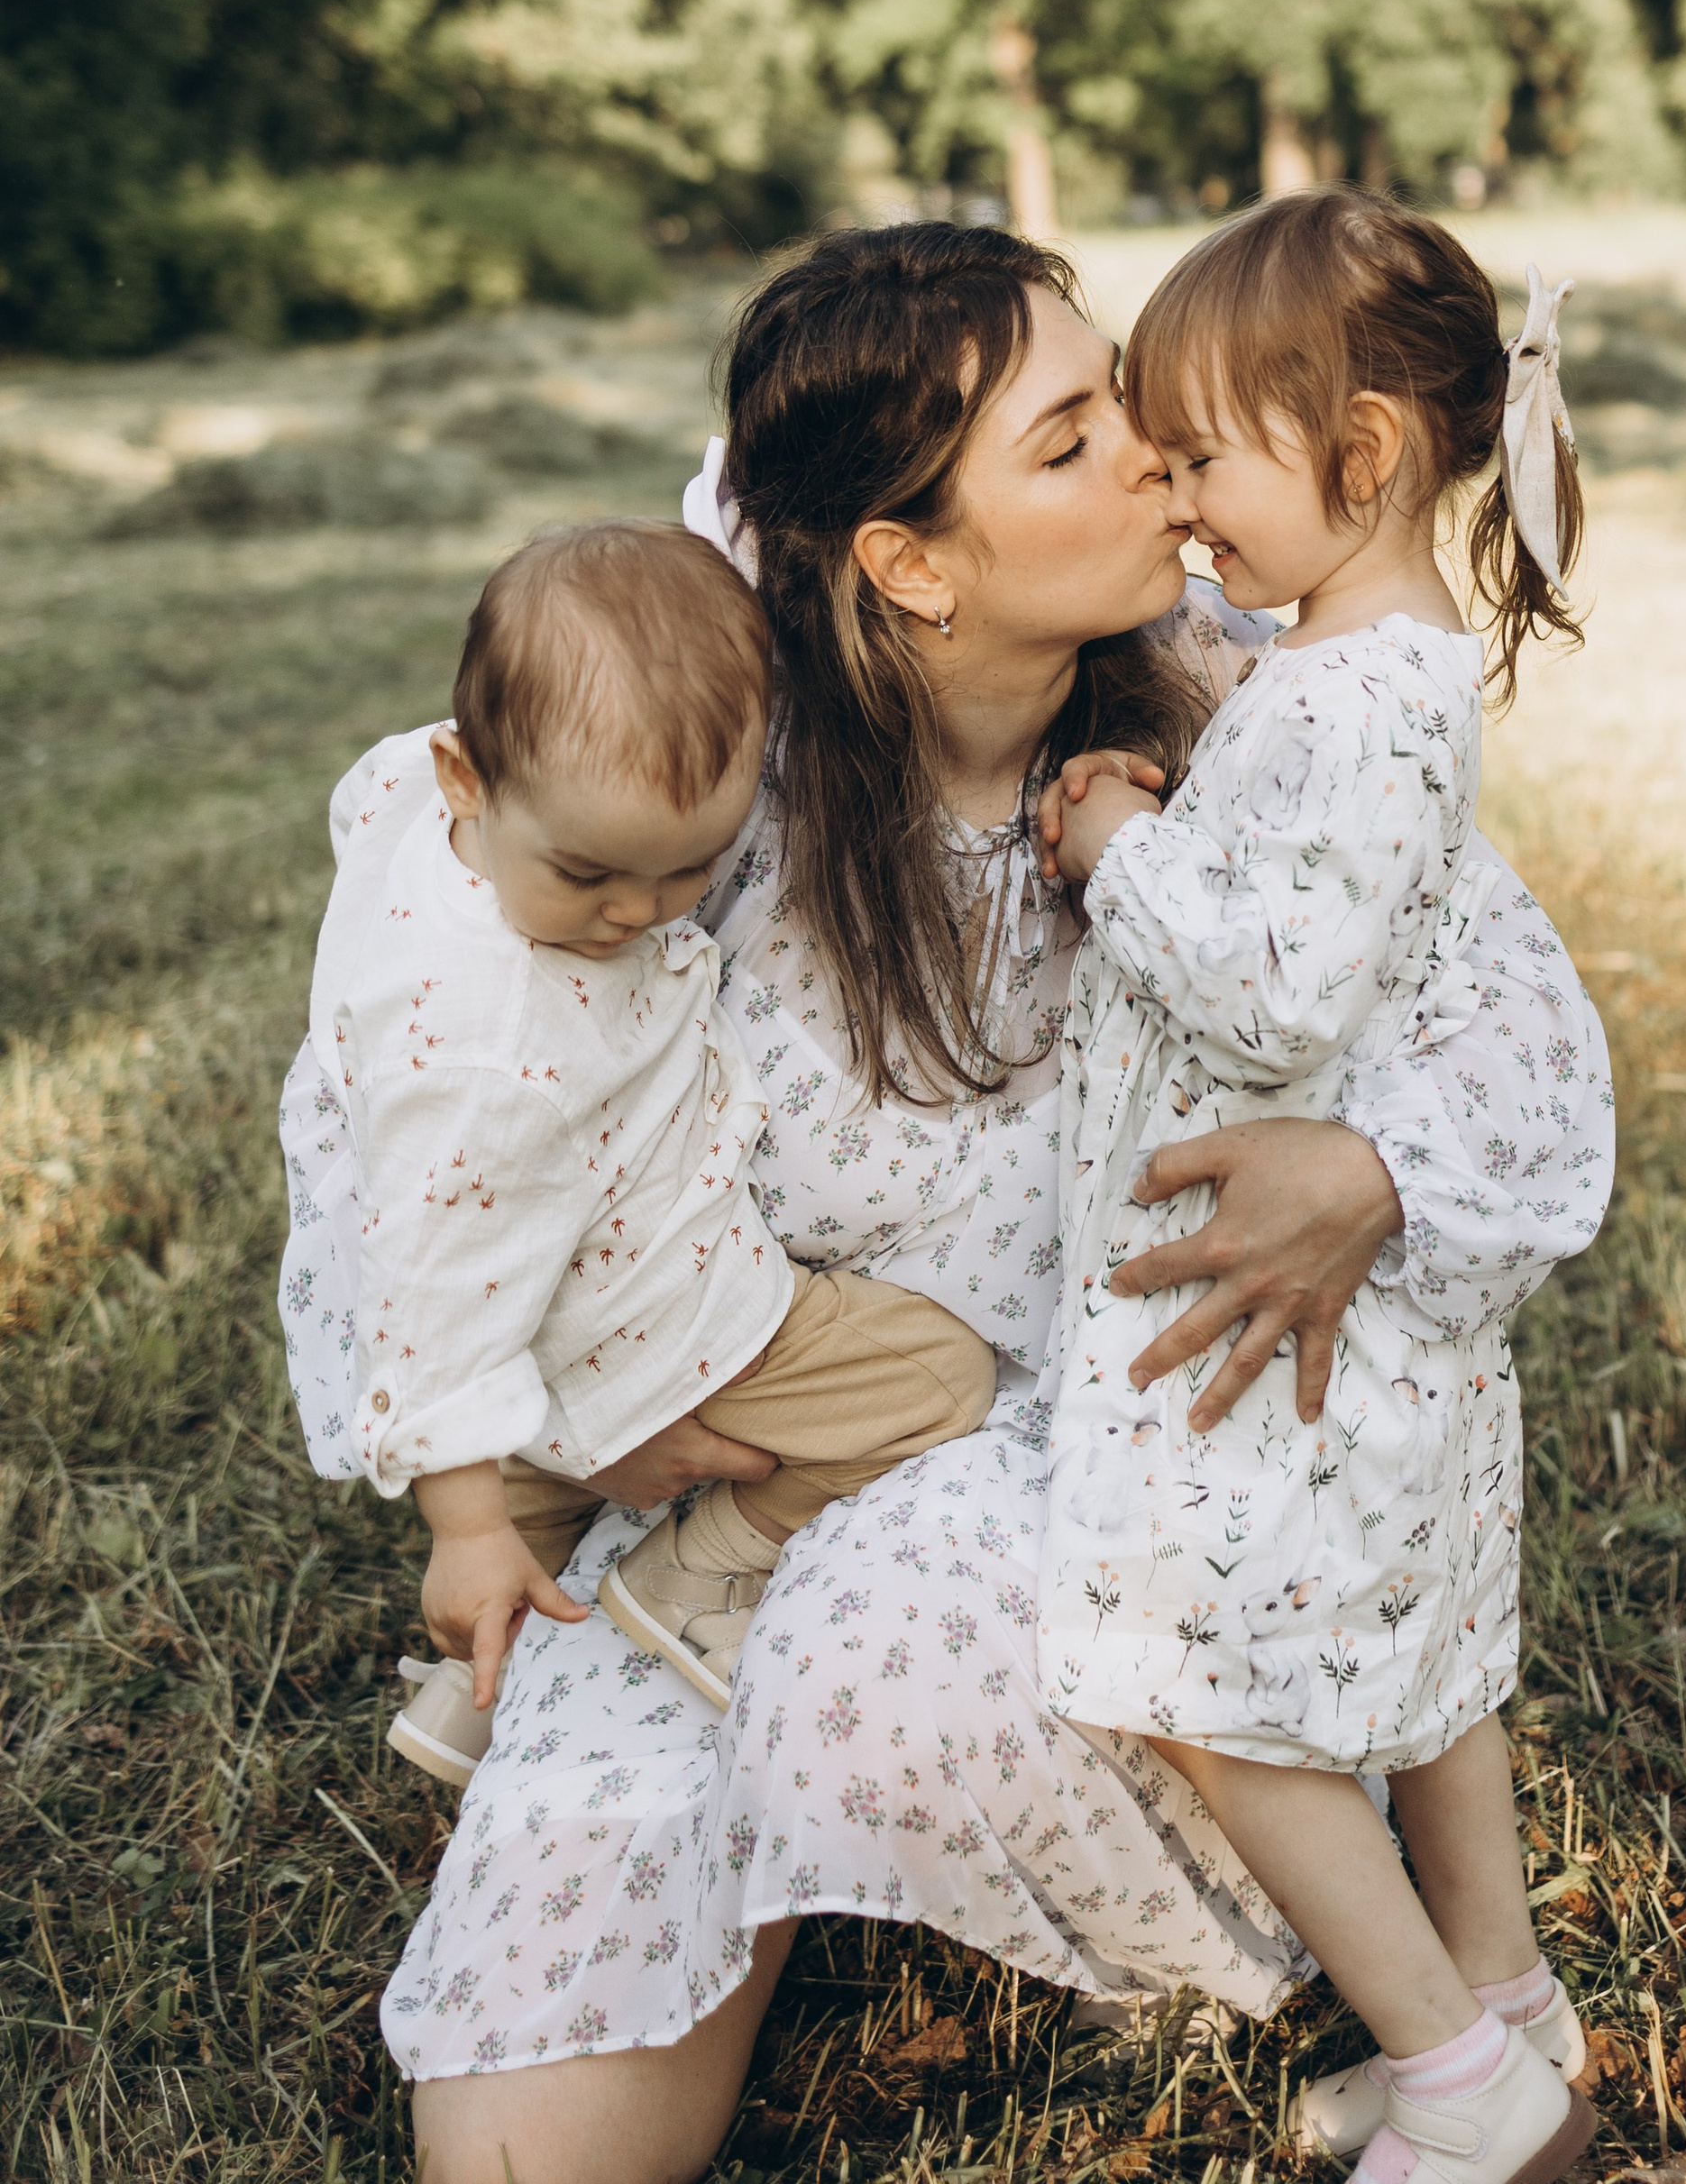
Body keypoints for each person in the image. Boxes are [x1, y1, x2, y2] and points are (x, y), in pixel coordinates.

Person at [323, 224, 1612, 2184]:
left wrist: (1370, 1171)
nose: (1156, 467)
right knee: (516, 2157)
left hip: (1094, 1478)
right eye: (1077, 433)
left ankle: (1394, 1994)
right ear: (907, 564)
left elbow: (1530, 1056)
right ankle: (696, 1774)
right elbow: (433, 1085)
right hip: (734, 1497)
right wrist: (546, 1443)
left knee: (895, 1671)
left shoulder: (1243, 705)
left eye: (1139, 412)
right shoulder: (708, 760)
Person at [1039, 195, 1595, 2184]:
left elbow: (1278, 994)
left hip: (1295, 1332)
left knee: (1207, 1678)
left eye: (1200, 459)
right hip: (1341, 1315)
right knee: (1419, 1668)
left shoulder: (1364, 700)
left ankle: (1462, 2084)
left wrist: (1117, 845)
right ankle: (1509, 2002)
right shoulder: (1342, 659)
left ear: (1354, 459)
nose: (1174, 505)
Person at [279, 519, 995, 1791]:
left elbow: (364, 798)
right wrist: (458, 1527)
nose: (635, 913)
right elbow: (434, 1291)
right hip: (655, 1311)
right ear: (465, 776)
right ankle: (696, 1574)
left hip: (557, 1300)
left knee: (531, 1479)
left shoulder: (411, 798)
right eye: (590, 874)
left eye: (688, 872)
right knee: (942, 1378)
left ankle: (470, 1693)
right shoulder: (483, 1058)